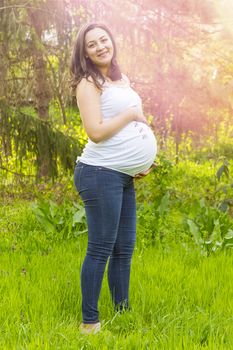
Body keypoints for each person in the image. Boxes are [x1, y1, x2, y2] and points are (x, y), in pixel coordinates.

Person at [70, 22, 157, 335]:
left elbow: (139, 122)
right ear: (86, 53)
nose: (100, 46)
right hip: (98, 173)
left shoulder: (122, 81)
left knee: (124, 248)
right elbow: (95, 130)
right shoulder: (88, 83)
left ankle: (123, 313)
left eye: (103, 39)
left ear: (112, 42)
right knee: (100, 249)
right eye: (91, 44)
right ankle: (89, 323)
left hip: (122, 174)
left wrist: (146, 157)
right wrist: (131, 116)